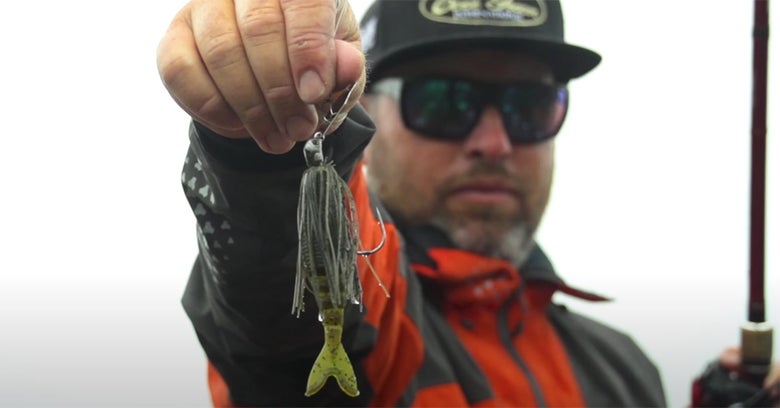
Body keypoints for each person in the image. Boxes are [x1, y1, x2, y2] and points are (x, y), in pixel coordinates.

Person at [157, 0, 778, 406]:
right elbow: (271, 316)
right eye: (445, 102)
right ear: (366, 113)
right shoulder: (377, 310)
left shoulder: (624, 369)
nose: (494, 142)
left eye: (530, 107)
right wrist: (266, 145)